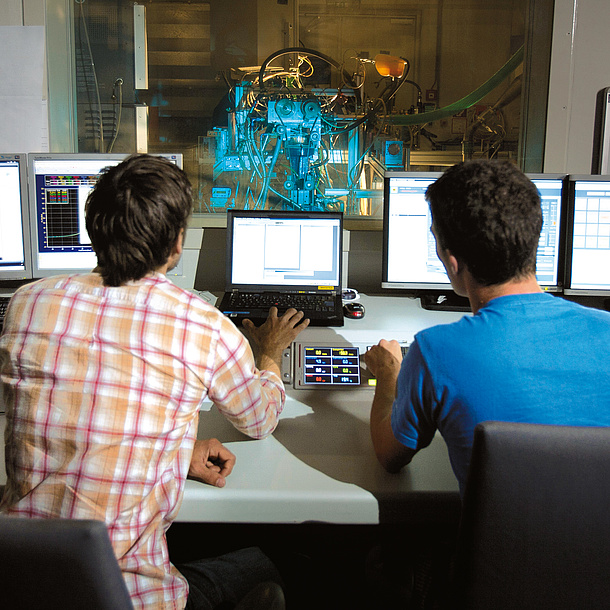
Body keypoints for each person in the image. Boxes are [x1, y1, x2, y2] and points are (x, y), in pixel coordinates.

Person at [0, 154, 309, 609]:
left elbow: (86, 409)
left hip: (22, 585)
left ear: (94, 229)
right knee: (268, 561)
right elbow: (259, 421)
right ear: (177, 244)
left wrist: (175, 449)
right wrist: (269, 354)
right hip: (129, 597)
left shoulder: (28, 304)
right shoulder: (202, 325)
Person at [365, 159, 610, 496]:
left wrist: (388, 378)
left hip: (496, 550)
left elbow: (389, 456)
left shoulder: (436, 350)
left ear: (452, 261)